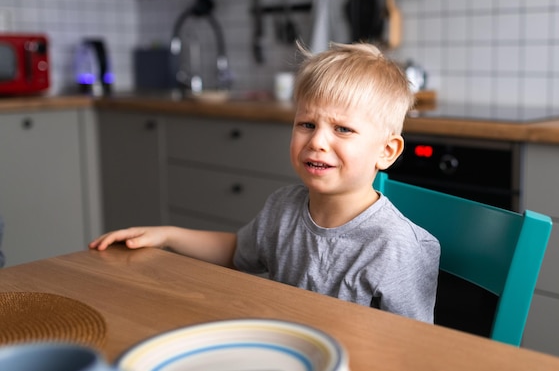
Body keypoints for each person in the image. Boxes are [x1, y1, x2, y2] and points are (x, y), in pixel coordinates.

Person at [90, 42, 441, 323]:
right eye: (306, 124)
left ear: (387, 151)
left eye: (342, 129)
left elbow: (413, 348)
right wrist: (166, 235)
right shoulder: (283, 207)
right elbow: (237, 252)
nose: (317, 141)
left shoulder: (396, 246)